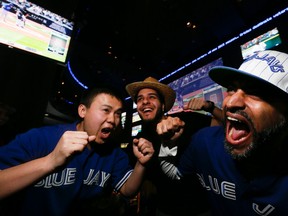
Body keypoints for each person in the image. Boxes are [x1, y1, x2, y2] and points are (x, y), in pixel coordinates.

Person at [159, 50, 288, 215]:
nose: (231, 102)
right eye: (232, 89)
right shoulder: (205, 142)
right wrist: (167, 146)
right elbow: (176, 175)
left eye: (256, 92)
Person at [0, 87, 154, 216]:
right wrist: (50, 161)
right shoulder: (40, 138)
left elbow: (127, 190)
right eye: (106, 110)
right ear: (82, 111)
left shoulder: (113, 153)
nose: (113, 120)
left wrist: (141, 164)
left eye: (118, 114)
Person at [125, 77, 222, 216]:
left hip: (201, 208)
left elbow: (225, 124)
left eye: (151, 97)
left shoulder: (184, 120)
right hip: (164, 210)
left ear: (163, 105)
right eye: (139, 99)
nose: (145, 101)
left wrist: (210, 107)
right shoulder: (137, 140)